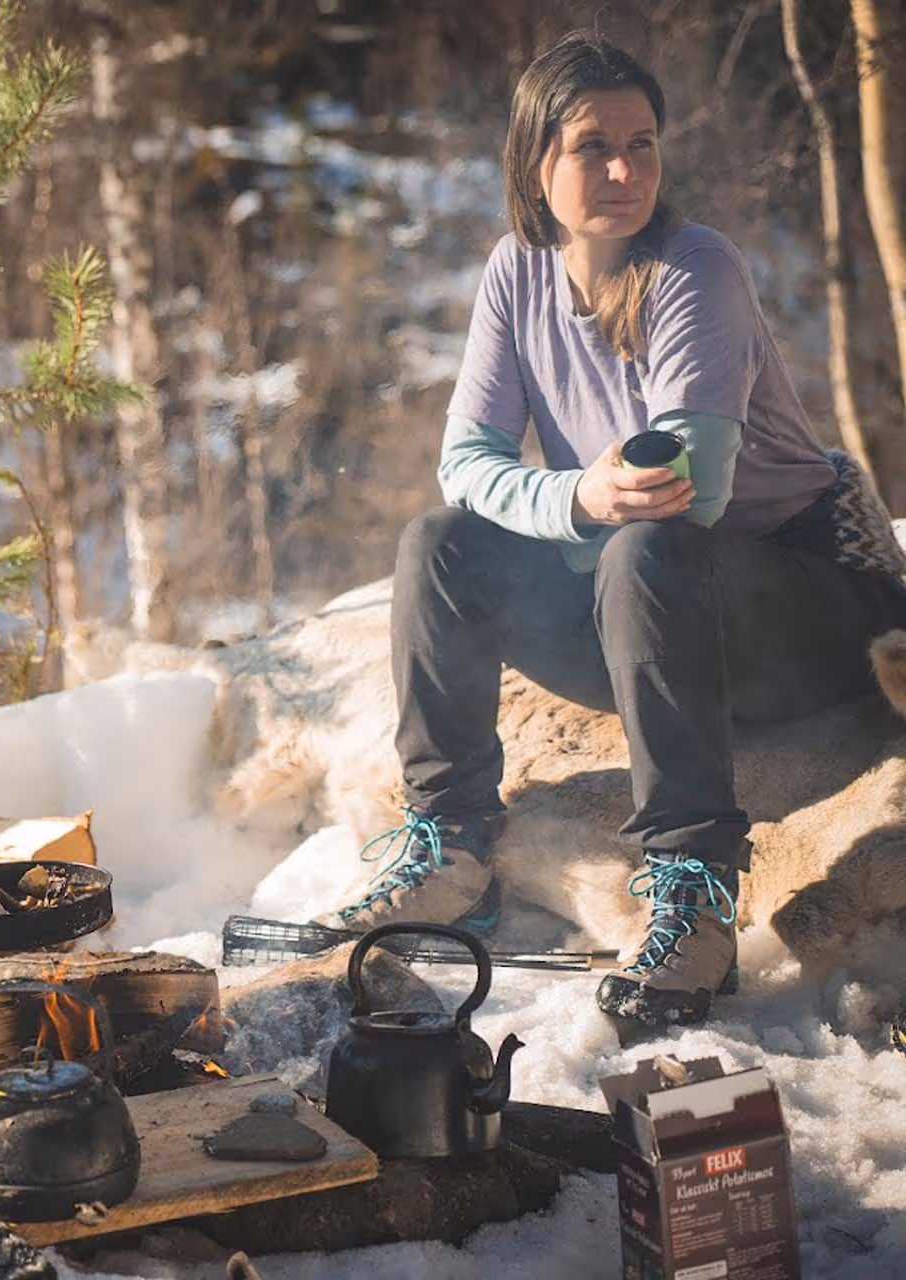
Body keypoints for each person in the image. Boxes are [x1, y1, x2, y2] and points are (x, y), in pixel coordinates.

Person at [314, 32, 906, 1027]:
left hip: (809, 607)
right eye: (593, 146)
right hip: (650, 602)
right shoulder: (516, 273)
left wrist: (587, 504)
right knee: (440, 546)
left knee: (648, 541)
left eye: (643, 143)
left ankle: (693, 890)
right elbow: (466, 465)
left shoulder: (695, 269)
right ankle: (452, 847)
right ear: (535, 161)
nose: (625, 169)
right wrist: (572, 499)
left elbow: (693, 491)